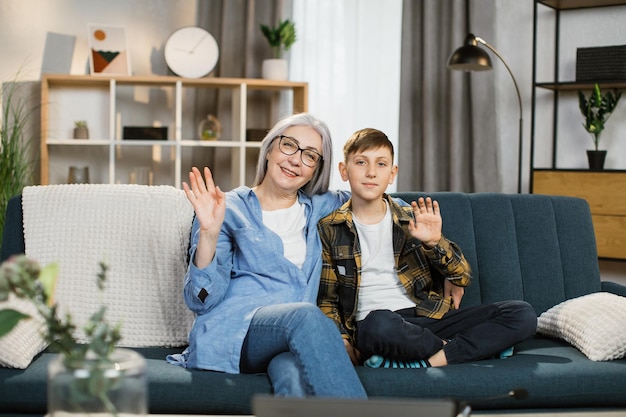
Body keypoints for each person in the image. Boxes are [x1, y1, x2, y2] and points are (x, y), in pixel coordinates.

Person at [167, 113, 367, 398]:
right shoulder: (229, 207)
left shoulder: (326, 207)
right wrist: (209, 234)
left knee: (293, 378)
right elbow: (200, 300)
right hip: (238, 332)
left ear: (316, 169)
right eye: (289, 145)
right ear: (271, 148)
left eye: (310, 155)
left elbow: (383, 206)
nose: (296, 159)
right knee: (306, 317)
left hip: (291, 342)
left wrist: (440, 252)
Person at [317, 128, 537, 368]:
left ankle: (431, 358)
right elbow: (328, 300)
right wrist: (342, 339)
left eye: (381, 164)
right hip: (377, 326)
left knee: (521, 313)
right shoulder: (330, 227)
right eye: (361, 162)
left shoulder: (413, 218)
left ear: (392, 174)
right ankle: (462, 349)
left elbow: (461, 275)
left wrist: (434, 242)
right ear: (344, 170)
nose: (371, 172)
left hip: (429, 316)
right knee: (377, 324)